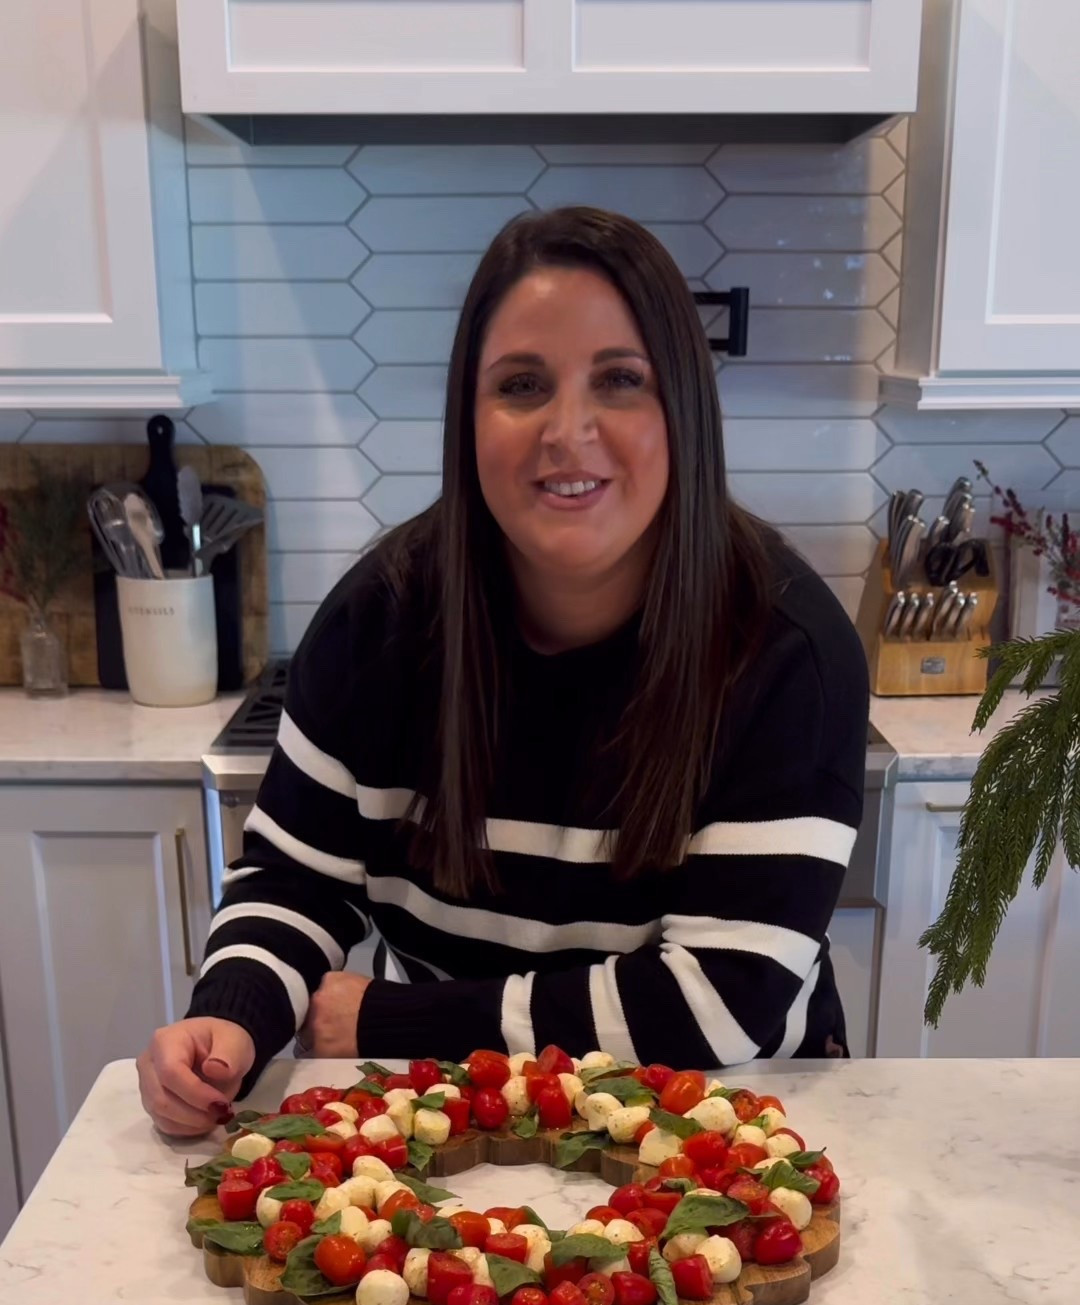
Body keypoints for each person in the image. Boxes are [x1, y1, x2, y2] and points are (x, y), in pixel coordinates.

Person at [137, 205, 868, 1140]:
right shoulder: (380, 623)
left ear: (683, 409)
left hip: (736, 1132)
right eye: (522, 384)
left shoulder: (786, 650)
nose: (569, 432)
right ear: (468, 419)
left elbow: (717, 1009)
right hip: (466, 1127)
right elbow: (293, 882)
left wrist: (391, 1022)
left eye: (621, 380)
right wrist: (228, 1017)